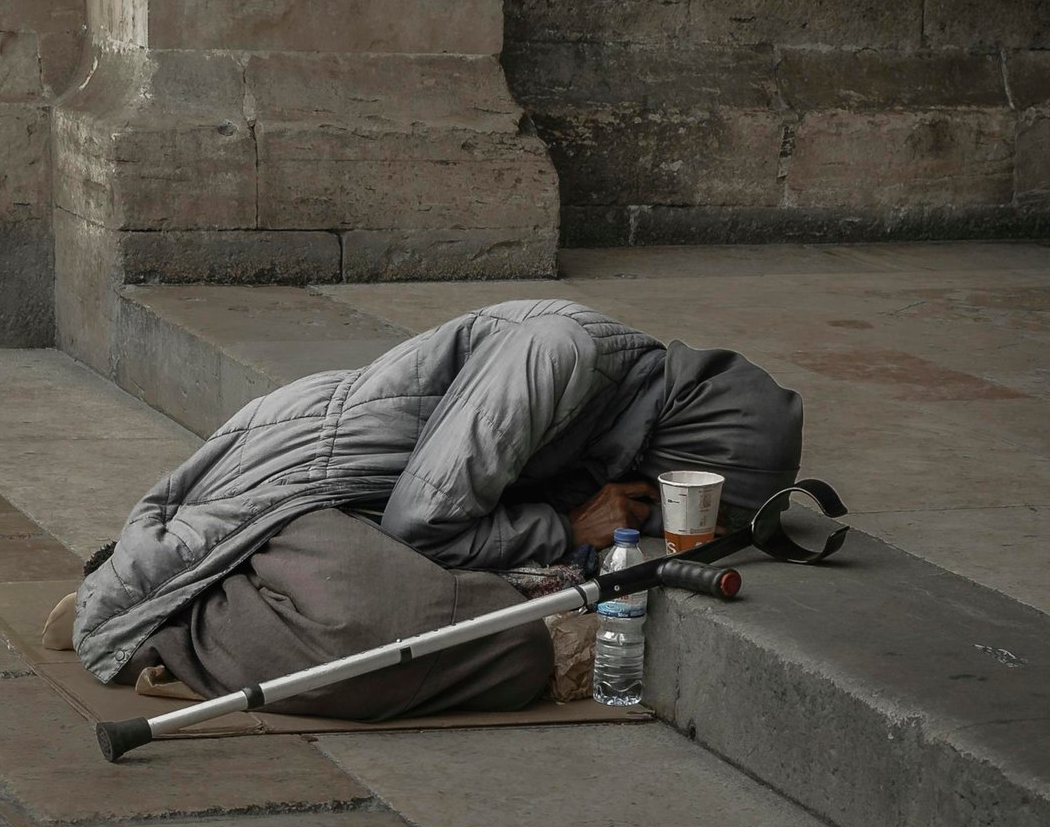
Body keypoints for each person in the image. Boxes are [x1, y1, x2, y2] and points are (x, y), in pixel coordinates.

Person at [74, 299, 803, 719]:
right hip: (292, 491)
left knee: (499, 641)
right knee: (397, 624)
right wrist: (566, 527)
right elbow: (420, 527)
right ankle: (186, 623)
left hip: (353, 509)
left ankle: (235, 605)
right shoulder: (562, 355)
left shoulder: (616, 425)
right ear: (678, 441)